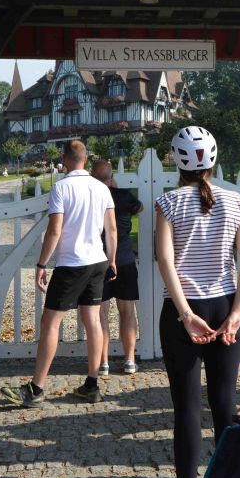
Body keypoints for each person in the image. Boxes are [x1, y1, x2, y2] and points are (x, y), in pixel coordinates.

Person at [155, 126, 240, 478]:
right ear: (214, 159)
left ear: (176, 160)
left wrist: (184, 313)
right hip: (226, 302)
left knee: (186, 407)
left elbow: (165, 260)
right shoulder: (234, 201)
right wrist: (236, 314)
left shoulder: (168, 203)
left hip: (186, 309)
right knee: (225, 401)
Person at [0, 140, 117, 406]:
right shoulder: (102, 188)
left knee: (50, 323)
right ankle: (92, 384)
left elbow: (54, 230)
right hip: (98, 260)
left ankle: (36, 388)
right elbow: (111, 230)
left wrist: (41, 264)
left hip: (72, 263)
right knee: (93, 320)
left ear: (63, 159)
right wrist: (111, 259)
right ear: (85, 159)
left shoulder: (61, 188)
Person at [91, 160, 143, 376]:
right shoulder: (123, 196)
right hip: (124, 259)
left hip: (98, 261)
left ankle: (103, 363)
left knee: (101, 313)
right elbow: (139, 207)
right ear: (111, 177)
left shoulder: (91, 197)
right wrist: (116, 187)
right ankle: (129, 360)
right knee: (127, 311)